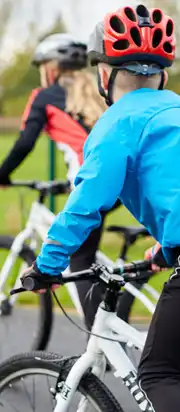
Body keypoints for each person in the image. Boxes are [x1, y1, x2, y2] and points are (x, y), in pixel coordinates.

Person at [20, 4, 180, 412]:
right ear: (163, 75)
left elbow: (86, 205)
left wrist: (47, 266)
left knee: (157, 374)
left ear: (103, 74)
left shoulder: (116, 123)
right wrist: (164, 252)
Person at [0, 33, 114, 331]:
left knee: (79, 259)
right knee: (89, 256)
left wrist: (2, 174)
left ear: (50, 68)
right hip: (117, 183)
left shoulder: (44, 96)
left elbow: (25, 142)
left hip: (93, 184)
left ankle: (100, 345)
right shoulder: (99, 95)